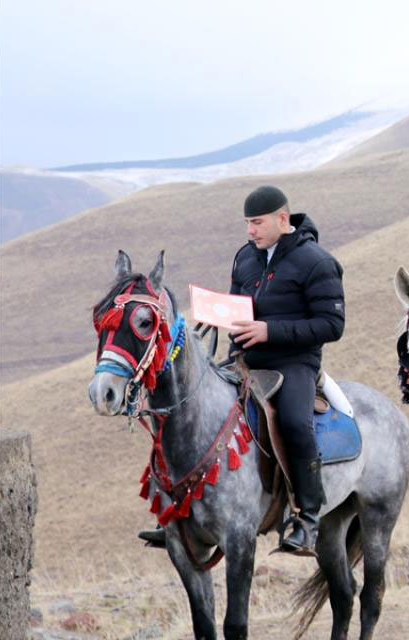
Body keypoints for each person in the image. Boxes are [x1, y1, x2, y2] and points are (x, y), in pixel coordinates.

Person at [137, 186, 346, 555]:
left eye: (257, 222)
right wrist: (225, 321)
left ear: (283, 219)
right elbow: (239, 307)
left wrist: (271, 330)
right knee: (186, 409)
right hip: (246, 361)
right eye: (247, 223)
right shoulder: (245, 259)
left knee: (296, 423)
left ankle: (307, 517)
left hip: (295, 364)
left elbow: (332, 325)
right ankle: (175, 508)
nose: (250, 231)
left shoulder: (317, 262)